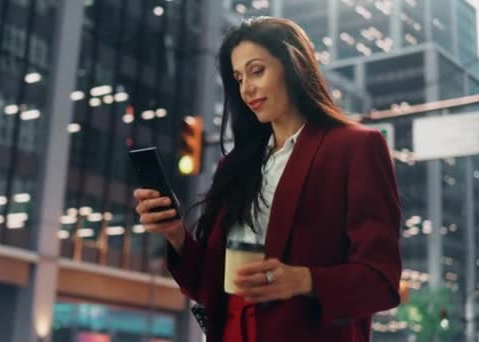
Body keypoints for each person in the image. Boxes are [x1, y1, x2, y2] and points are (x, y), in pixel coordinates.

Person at [134, 16, 402, 342]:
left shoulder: (355, 147)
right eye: (238, 78)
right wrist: (175, 235)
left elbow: (381, 282)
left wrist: (302, 280)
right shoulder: (236, 166)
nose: (246, 89)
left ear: (294, 64)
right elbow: (209, 287)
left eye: (257, 71)